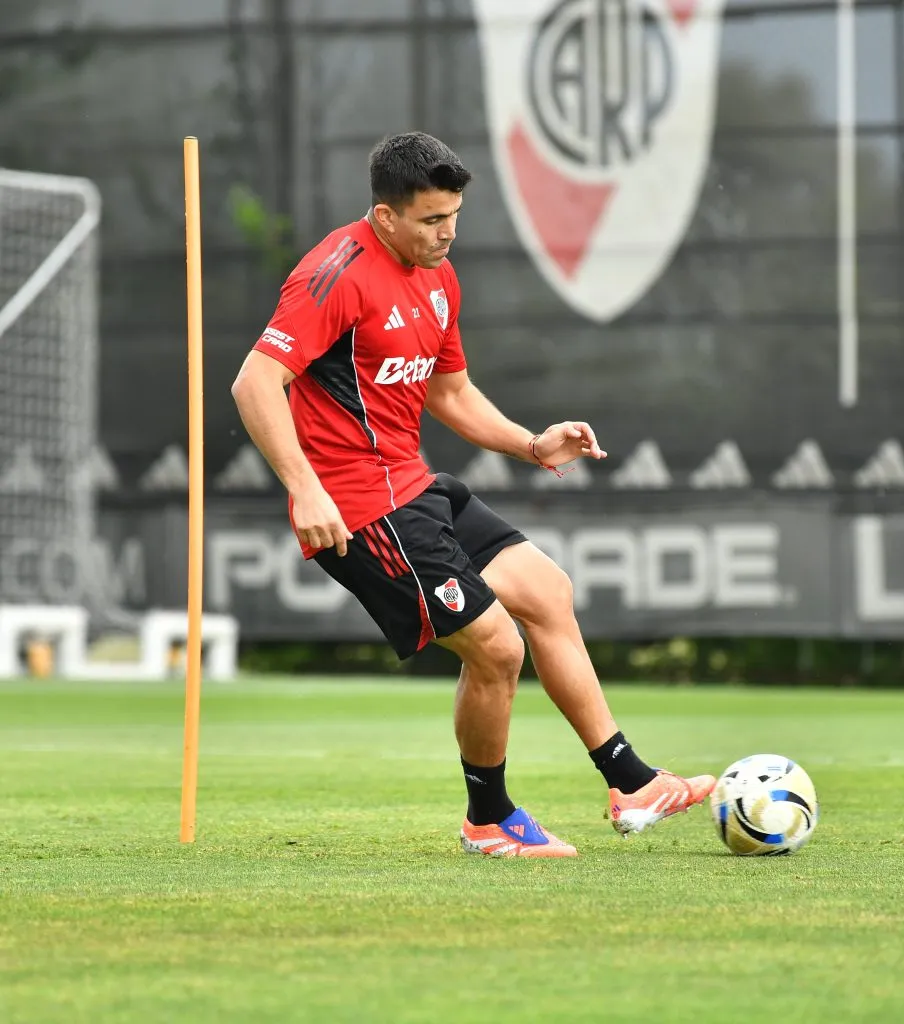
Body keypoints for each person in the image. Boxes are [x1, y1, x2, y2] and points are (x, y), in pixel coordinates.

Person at [231, 131, 715, 858]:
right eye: (431, 220)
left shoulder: (438, 277)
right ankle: (488, 818)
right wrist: (304, 489)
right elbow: (253, 382)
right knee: (496, 649)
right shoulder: (336, 273)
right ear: (385, 216)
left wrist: (529, 442)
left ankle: (631, 781)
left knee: (547, 591)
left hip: (416, 486)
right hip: (359, 511)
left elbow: (449, 391)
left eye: (454, 215)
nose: (447, 232)